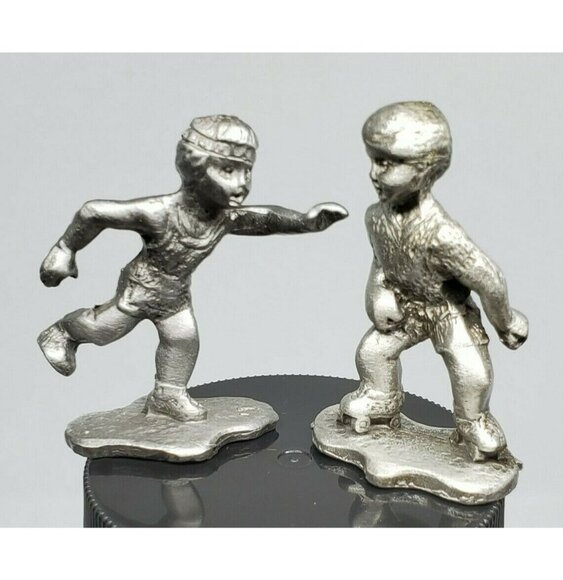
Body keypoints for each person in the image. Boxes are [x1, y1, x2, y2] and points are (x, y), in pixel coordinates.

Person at [38, 114, 348, 422]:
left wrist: (306, 222)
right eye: (228, 170)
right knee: (103, 330)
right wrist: (64, 249)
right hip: (141, 287)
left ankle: (167, 395)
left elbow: (266, 219)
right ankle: (61, 332)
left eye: (247, 171)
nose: (242, 184)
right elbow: (94, 212)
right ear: (195, 169)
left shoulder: (225, 217)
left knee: (183, 339)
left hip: (175, 294)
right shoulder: (159, 212)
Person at [339, 102, 528, 461]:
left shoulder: (442, 235)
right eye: (374, 160)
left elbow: (488, 279)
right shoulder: (375, 218)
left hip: (447, 310)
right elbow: (380, 261)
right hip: (407, 305)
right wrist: (378, 294)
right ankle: (381, 397)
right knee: (373, 352)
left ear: (426, 170)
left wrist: (505, 321)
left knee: (472, 373)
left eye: (388, 163)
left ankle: (473, 421)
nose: (374, 173)